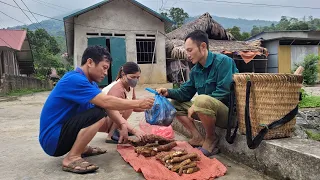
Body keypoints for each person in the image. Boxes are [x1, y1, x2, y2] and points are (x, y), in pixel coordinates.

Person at [39, 45, 154, 174]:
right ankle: (72, 158)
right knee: (100, 112)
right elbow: (106, 102)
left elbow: (106, 105)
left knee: (102, 108)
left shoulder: (90, 84)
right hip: (53, 139)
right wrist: (138, 104)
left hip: (61, 136)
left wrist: (122, 125)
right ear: (90, 62)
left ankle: (81, 149)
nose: (105, 73)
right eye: (104, 68)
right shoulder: (74, 79)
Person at [156, 30, 238, 157]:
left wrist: (198, 104)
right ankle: (197, 137)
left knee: (201, 100)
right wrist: (167, 92)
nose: (187, 54)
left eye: (190, 50)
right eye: (186, 51)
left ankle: (211, 138)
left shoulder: (224, 62)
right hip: (206, 111)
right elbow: (185, 93)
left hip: (228, 116)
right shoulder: (195, 70)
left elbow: (225, 91)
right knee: (175, 104)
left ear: (203, 47)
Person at [100, 62, 147, 143]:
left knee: (130, 104)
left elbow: (135, 106)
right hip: (101, 119)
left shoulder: (129, 86)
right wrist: (134, 130)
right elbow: (114, 112)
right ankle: (111, 135)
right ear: (123, 74)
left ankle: (120, 129)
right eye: (133, 77)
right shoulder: (117, 89)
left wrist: (148, 108)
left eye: (137, 77)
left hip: (111, 118)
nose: (135, 80)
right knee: (124, 105)